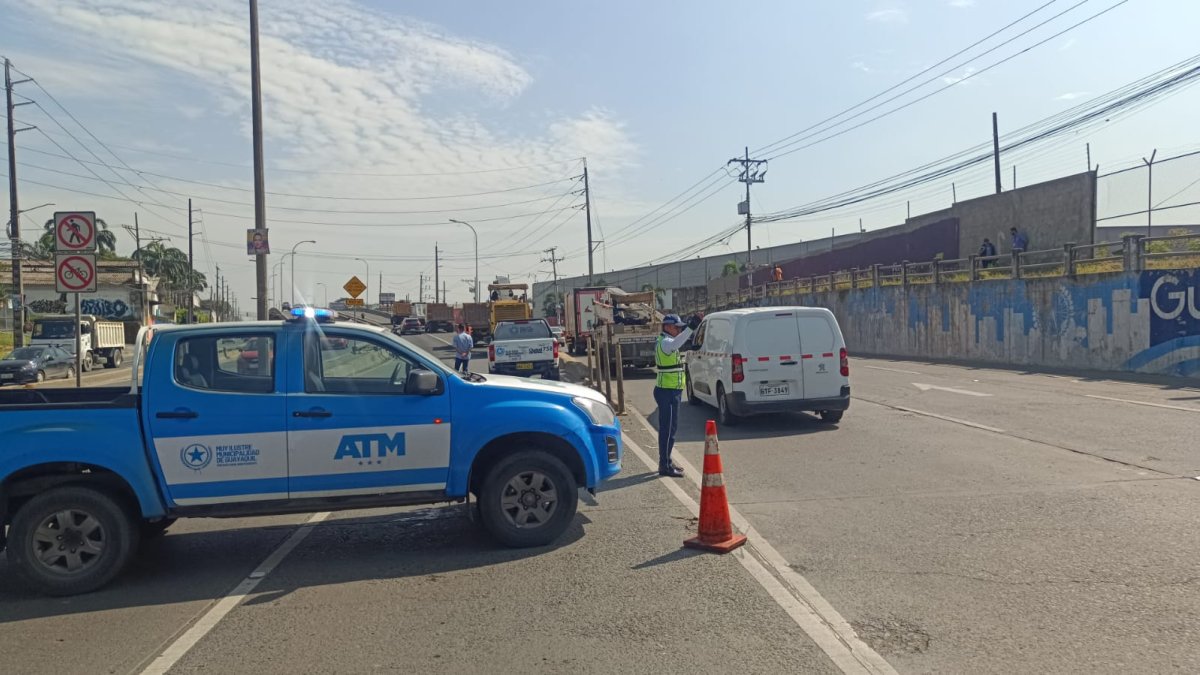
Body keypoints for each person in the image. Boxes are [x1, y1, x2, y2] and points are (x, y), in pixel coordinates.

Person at [654, 313, 700, 478]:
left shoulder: (667, 342)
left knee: (670, 429)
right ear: (667, 327)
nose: (679, 330)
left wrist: (688, 348)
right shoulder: (666, 342)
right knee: (668, 430)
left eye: (681, 328)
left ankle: (666, 460)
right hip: (667, 391)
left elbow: (676, 347)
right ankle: (664, 465)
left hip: (671, 390)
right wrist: (691, 328)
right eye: (677, 327)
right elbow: (675, 344)